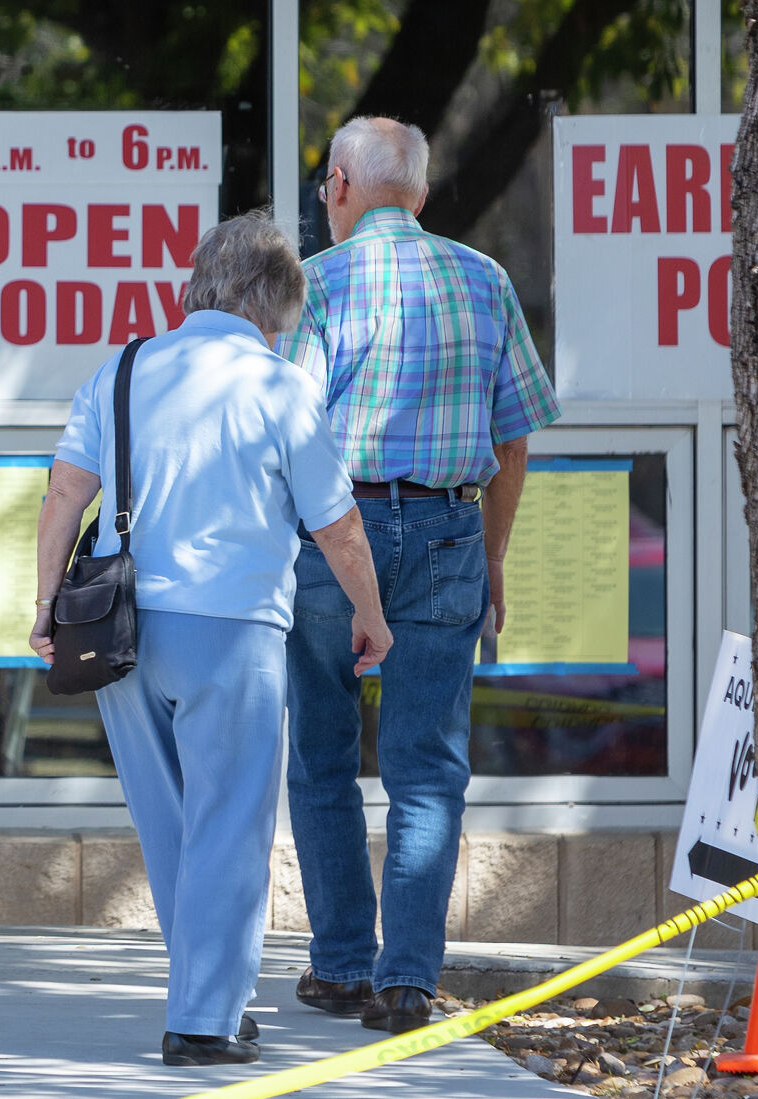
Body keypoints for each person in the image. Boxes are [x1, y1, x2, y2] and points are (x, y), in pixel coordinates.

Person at [32, 212, 393, 1066]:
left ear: (198, 285)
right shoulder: (279, 386)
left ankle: (211, 992)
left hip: (121, 630)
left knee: (173, 826)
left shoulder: (122, 368)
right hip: (229, 628)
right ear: (273, 307)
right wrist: (370, 617)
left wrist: (45, 602)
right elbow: (336, 527)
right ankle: (202, 1020)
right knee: (229, 825)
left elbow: (63, 494)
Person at [280, 117, 562, 1033]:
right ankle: (406, 981)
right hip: (448, 528)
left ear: (340, 190)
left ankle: (339, 965)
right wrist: (492, 556)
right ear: (425, 196)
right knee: (428, 768)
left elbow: (289, 434)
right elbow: (514, 439)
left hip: (336, 533)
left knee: (322, 755)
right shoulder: (485, 280)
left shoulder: (314, 285)